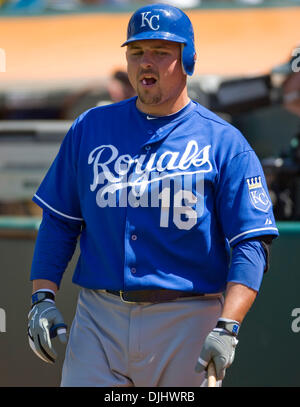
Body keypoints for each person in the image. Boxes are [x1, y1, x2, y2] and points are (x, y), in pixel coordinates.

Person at [27, 3, 279, 387]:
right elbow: (60, 222)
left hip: (187, 319)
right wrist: (42, 298)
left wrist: (228, 327)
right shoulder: (91, 127)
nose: (147, 63)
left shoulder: (224, 142)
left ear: (187, 59)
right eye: (137, 52)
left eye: (161, 52)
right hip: (100, 316)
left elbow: (252, 242)